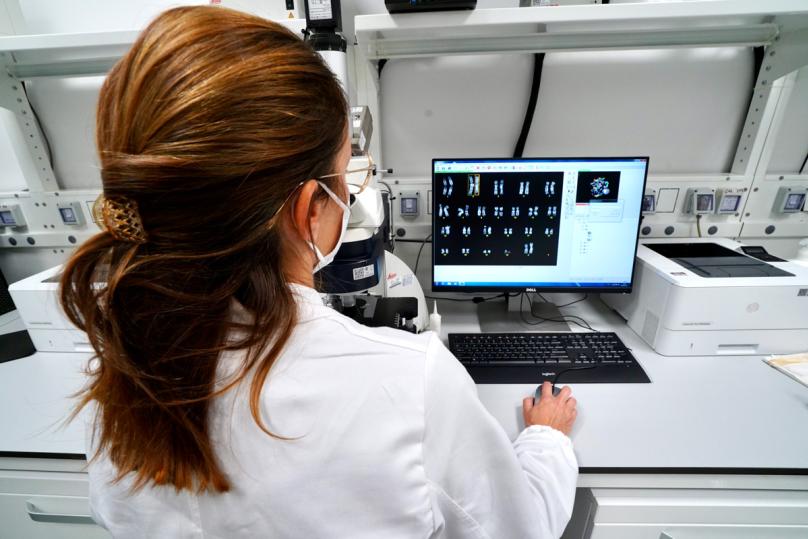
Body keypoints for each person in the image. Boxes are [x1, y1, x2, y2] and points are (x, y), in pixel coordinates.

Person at [60, 6, 578, 538]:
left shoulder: (117, 392)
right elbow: (521, 529)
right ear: (310, 207)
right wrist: (546, 439)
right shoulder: (412, 386)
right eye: (345, 175)